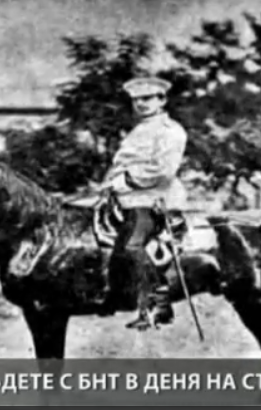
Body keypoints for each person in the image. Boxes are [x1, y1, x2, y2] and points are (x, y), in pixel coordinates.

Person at [98, 76, 189, 330]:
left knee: (131, 246)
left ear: (162, 100)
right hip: (126, 199)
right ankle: (111, 295)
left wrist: (124, 182)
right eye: (136, 100)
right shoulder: (140, 130)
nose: (141, 104)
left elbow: (162, 170)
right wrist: (108, 186)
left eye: (147, 98)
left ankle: (157, 306)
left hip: (153, 200)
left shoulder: (170, 131)